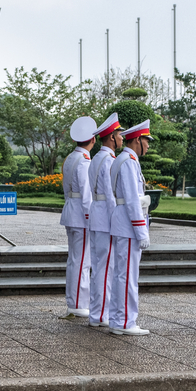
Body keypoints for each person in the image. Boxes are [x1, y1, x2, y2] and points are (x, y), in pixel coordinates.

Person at [108, 119, 152, 336]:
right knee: (127, 275)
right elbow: (133, 201)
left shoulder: (123, 159)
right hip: (127, 224)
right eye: (146, 140)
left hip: (123, 222)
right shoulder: (128, 162)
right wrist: (141, 230)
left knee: (122, 274)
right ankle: (125, 320)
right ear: (137, 140)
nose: (148, 145)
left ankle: (120, 319)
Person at [86, 113, 124, 327]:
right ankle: (101, 314)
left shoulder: (96, 158)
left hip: (96, 214)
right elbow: (111, 195)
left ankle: (97, 312)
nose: (121, 138)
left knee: (100, 266)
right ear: (111, 137)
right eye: (119, 134)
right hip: (106, 217)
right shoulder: (110, 160)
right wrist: (115, 221)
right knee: (105, 268)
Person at [60, 116, 97, 318]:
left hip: (71, 211)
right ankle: (78, 302)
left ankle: (74, 300)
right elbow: (86, 195)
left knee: (75, 259)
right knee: (83, 261)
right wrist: (90, 218)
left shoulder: (71, 158)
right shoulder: (84, 161)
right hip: (80, 215)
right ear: (92, 140)